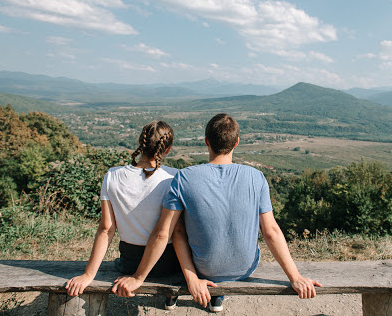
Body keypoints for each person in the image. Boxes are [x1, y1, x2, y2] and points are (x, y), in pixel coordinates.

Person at [112, 113, 321, 312]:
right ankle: (216, 296)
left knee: (181, 225)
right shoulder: (256, 177)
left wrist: (138, 278)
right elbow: (271, 232)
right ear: (236, 142)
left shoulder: (185, 178)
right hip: (246, 267)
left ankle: (186, 290)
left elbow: (165, 233)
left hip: (203, 269)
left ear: (206, 141)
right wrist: (295, 277)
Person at [65, 120, 181, 310]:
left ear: (139, 142)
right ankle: (170, 295)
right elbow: (174, 231)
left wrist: (88, 275)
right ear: (167, 149)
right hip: (168, 263)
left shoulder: (113, 175)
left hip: (130, 262)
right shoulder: (175, 177)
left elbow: (106, 229)